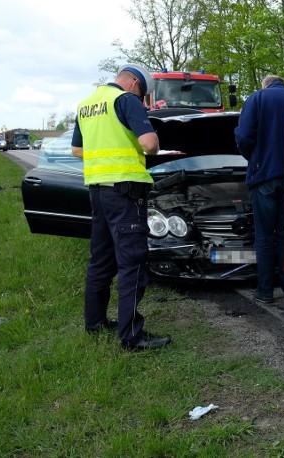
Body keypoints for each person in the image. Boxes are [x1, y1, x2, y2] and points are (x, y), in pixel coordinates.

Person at [71, 63, 171, 351]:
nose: (140, 100)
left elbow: (77, 150)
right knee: (132, 263)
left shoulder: (87, 104)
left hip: (98, 192)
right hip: (125, 194)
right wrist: (142, 145)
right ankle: (132, 336)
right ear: (135, 85)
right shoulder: (125, 100)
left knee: (101, 260)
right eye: (142, 95)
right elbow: (150, 144)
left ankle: (95, 323)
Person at [234, 74, 284, 305]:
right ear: (283, 83)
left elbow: (244, 136)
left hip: (264, 177)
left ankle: (265, 291)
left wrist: (255, 159)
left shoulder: (257, 99)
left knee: (265, 237)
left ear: (265, 84)